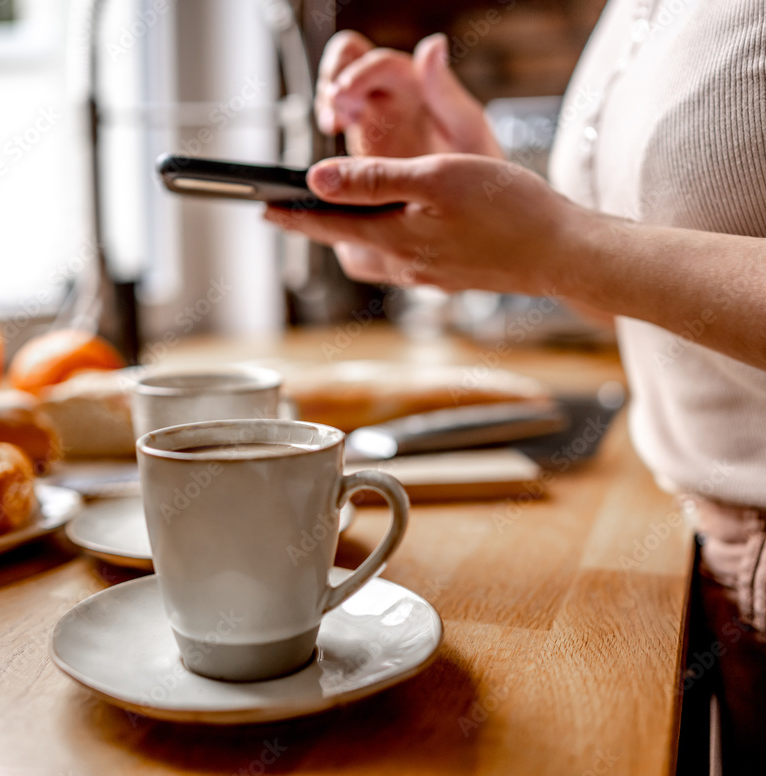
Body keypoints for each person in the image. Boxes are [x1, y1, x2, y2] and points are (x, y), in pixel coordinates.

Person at [265, 2, 766, 772]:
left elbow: (596, 256)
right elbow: (630, 290)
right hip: (703, 549)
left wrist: (560, 244)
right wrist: (489, 214)